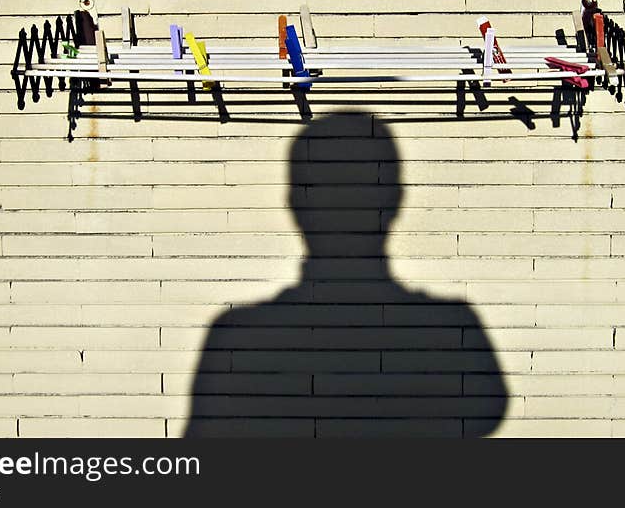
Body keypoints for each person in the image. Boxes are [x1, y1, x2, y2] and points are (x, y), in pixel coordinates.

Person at [184, 112, 507, 437]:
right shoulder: (451, 332)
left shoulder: (239, 340)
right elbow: (485, 411)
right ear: (395, 200)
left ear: (296, 205)